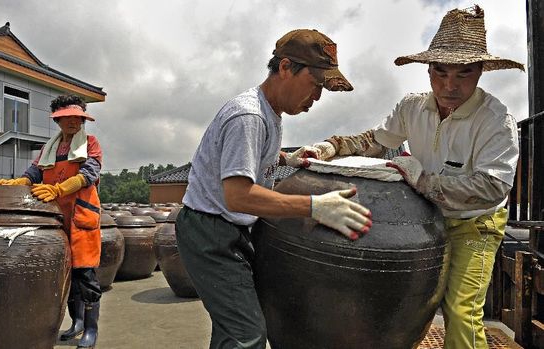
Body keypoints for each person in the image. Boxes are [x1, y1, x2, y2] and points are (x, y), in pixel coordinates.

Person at [298, 6, 523, 348]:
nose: (449, 85)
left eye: (463, 74)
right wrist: (330, 147)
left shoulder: (495, 120)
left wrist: (423, 181)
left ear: (480, 71)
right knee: (409, 303)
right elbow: (376, 140)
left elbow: (492, 188)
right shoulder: (412, 107)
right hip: (426, 218)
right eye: (440, 72)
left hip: (475, 222)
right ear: (428, 69)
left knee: (461, 309)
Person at [175, 28, 373, 349]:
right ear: (284, 68)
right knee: (246, 334)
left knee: (233, 329)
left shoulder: (270, 113)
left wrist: (287, 159)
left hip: (229, 229)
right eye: (315, 84)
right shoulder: (248, 116)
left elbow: (254, 156)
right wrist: (314, 206)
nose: (317, 97)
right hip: (209, 233)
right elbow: (238, 195)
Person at [0, 95, 103, 349]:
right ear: (58, 120)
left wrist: (59, 189)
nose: (72, 122)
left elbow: (88, 174)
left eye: (77, 118)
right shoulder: (49, 149)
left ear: (83, 119)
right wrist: (15, 183)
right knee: (65, 272)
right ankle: (77, 322)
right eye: (66, 118)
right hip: (54, 217)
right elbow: (33, 174)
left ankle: (91, 329)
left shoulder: (90, 144)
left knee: (85, 274)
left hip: (81, 216)